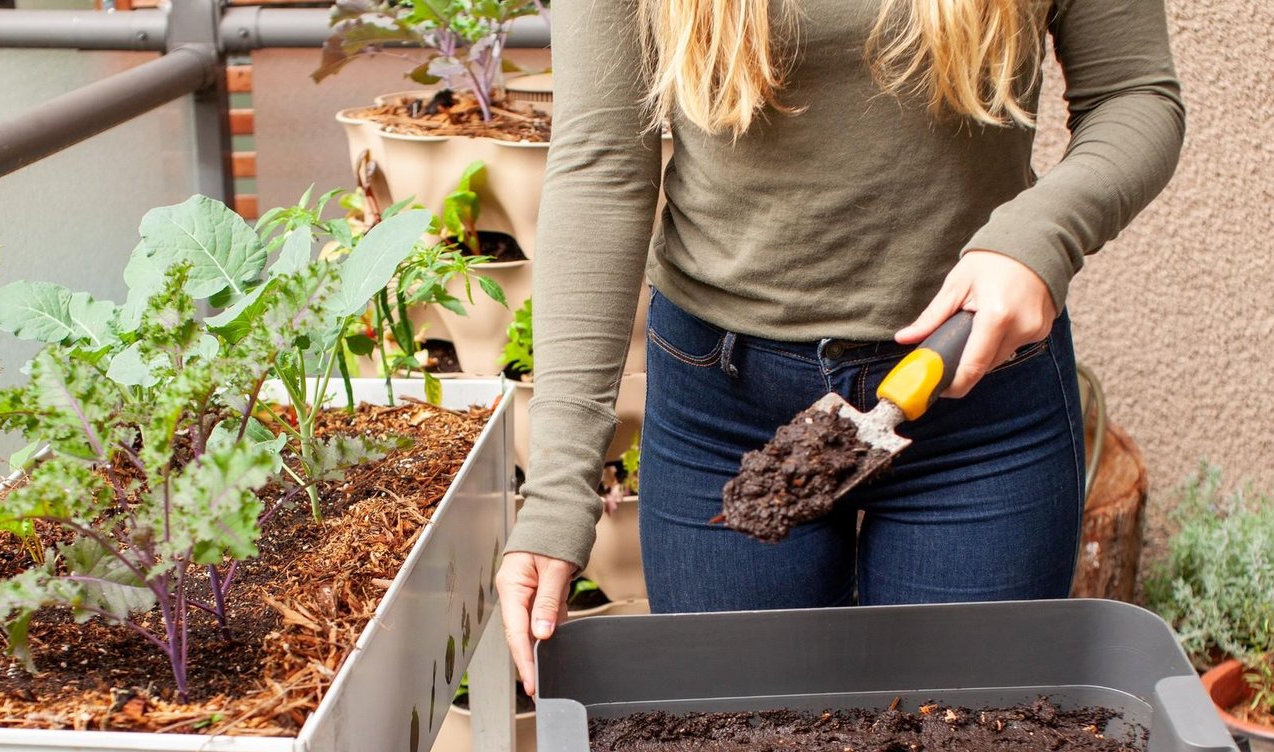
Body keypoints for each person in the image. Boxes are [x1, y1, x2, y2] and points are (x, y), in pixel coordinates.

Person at [498, 0, 1184, 693]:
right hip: (724, 412)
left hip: (977, 404)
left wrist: (1041, 237)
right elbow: (602, 165)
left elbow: (1134, 97)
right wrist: (558, 493)